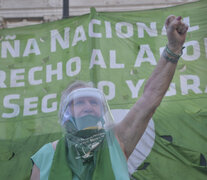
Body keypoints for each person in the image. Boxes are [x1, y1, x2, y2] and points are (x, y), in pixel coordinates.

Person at [30, 15, 188, 180]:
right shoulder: (45, 155)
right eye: (79, 102)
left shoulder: (117, 141)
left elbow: (149, 99)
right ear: (66, 112)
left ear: (101, 112)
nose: (88, 106)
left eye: (93, 102)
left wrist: (173, 48)